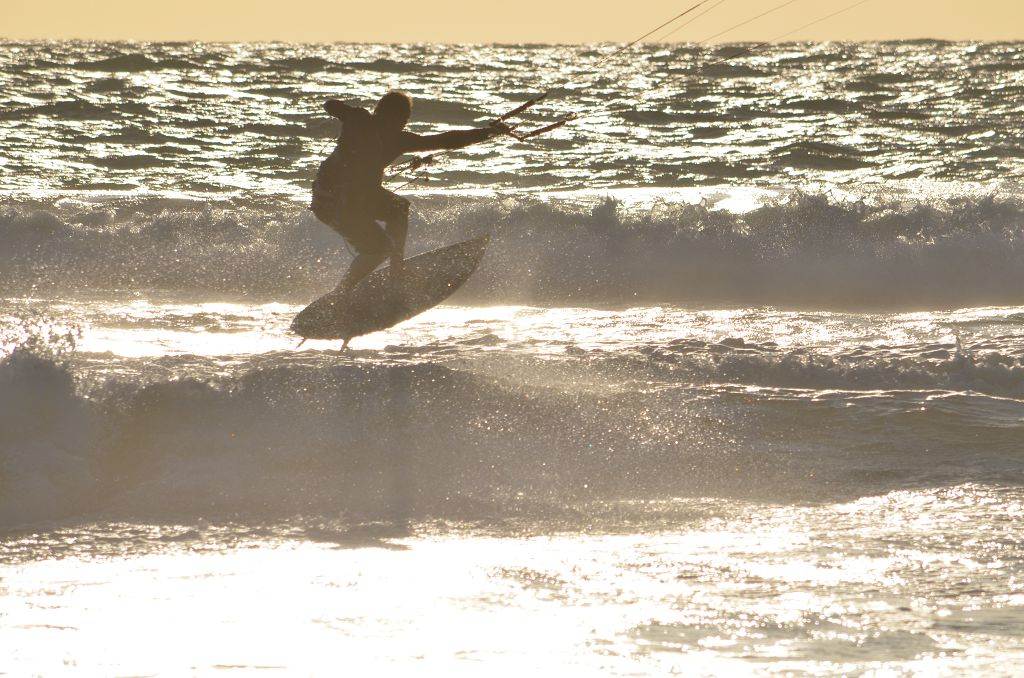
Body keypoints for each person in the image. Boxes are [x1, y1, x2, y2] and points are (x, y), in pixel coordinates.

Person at [311, 90, 507, 295]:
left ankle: (395, 271)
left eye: (403, 120)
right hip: (334, 201)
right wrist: (349, 112)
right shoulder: (360, 120)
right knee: (379, 247)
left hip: (343, 200)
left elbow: (445, 140)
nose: (401, 124)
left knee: (396, 213)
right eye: (400, 118)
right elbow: (329, 105)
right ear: (381, 113)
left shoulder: (398, 139)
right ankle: (341, 293)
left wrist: (486, 133)